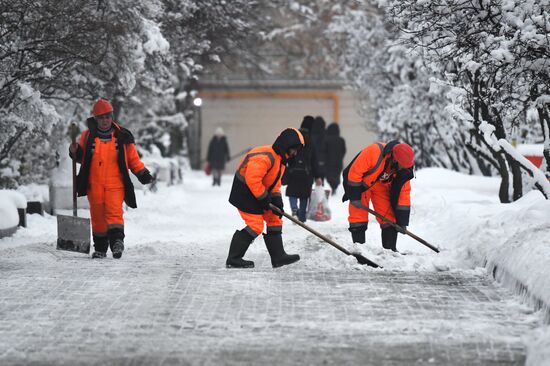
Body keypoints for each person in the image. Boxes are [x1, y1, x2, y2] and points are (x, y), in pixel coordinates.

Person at [69, 98, 154, 259]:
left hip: (116, 184)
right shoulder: (87, 137)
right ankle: (100, 248)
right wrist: (74, 150)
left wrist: (143, 173)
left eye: (108, 116)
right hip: (94, 184)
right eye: (101, 117)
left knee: (114, 213)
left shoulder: (123, 136)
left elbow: (133, 159)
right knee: (98, 217)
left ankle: (117, 243)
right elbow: (81, 157)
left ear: (112, 117)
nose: (105, 120)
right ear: (96, 119)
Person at [227, 128, 305, 268]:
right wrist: (264, 199)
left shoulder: (280, 160)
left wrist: (277, 201)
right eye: (294, 149)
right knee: (255, 225)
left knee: (274, 218)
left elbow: (274, 184)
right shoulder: (265, 156)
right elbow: (253, 180)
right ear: (286, 145)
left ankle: (278, 257)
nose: (295, 153)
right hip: (244, 193)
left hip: (258, 193)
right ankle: (234, 259)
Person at [342, 141, 414, 252]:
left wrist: (402, 222)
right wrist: (355, 196)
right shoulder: (374, 151)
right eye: (402, 165)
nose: (404, 169)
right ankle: (359, 248)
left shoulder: (404, 171)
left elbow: (404, 195)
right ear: (395, 158)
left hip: (381, 186)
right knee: (358, 215)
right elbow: (355, 172)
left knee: (389, 217)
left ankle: (390, 250)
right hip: (362, 184)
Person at [282, 116, 323, 222]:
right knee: (304, 195)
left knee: (293, 192)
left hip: (293, 170)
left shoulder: (295, 137)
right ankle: (302, 216)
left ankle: (294, 210)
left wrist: (287, 167)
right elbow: (314, 160)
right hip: (306, 172)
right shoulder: (311, 140)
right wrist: (318, 176)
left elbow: (287, 153)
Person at [324, 122, 346, 196]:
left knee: (329, 175)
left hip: (328, 161)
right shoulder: (341, 140)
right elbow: (344, 150)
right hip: (338, 161)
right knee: (336, 175)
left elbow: (324, 150)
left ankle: (332, 186)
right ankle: (334, 187)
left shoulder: (326, 139)